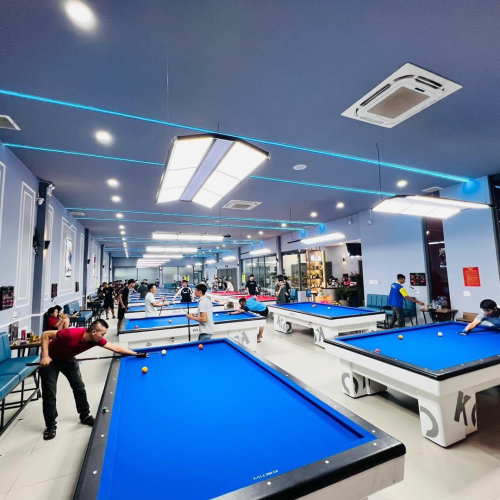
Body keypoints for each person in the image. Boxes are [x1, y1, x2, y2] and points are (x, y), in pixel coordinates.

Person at [39, 319, 147, 440]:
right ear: (94, 332)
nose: (103, 337)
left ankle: (84, 416)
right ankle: (50, 425)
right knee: (49, 394)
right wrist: (45, 356)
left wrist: (135, 354)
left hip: (68, 360)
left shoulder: (97, 340)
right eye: (102, 334)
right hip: (50, 360)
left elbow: (115, 348)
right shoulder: (70, 334)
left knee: (79, 388)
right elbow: (46, 334)